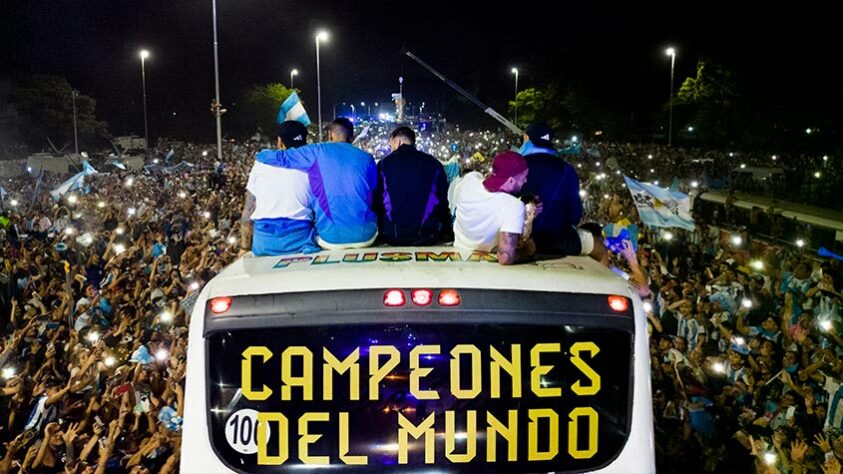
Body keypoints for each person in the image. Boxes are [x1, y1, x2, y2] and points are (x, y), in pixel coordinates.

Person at [254, 118, 378, 250]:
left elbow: (281, 158)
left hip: (330, 239)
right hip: (366, 237)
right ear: (352, 138)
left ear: (329, 135)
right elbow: (373, 192)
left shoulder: (316, 151)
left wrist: (261, 154)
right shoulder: (367, 158)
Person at [519, 123, 608, 264]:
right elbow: (575, 215)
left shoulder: (517, 165)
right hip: (559, 239)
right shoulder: (568, 169)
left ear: (527, 138)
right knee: (602, 251)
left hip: (521, 238)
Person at [241, 120, 318, 256]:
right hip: (300, 242)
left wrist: (244, 247)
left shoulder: (261, 163)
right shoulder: (312, 166)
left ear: (280, 142)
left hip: (264, 242)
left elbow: (248, 211)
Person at [451, 151, 538, 265]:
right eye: (523, 177)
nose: (525, 181)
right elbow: (505, 257)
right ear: (511, 180)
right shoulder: (513, 206)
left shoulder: (469, 180)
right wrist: (527, 250)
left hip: (458, 253)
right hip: (486, 263)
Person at [374, 126, 452, 245]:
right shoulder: (434, 163)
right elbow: (443, 201)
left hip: (392, 235)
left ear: (397, 141)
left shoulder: (384, 164)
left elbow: (377, 201)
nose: (391, 150)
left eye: (391, 146)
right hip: (428, 235)